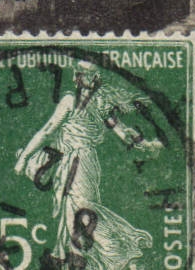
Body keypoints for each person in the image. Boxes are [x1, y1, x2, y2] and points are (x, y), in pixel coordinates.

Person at [14, 59, 160, 269]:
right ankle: (78, 259)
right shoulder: (72, 101)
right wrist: (24, 157)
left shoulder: (98, 105)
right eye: (84, 73)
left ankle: (116, 249)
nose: (89, 78)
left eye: (92, 74)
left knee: (83, 210)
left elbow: (122, 133)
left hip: (84, 163)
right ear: (77, 77)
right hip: (71, 161)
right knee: (73, 210)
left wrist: (144, 144)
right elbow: (47, 131)